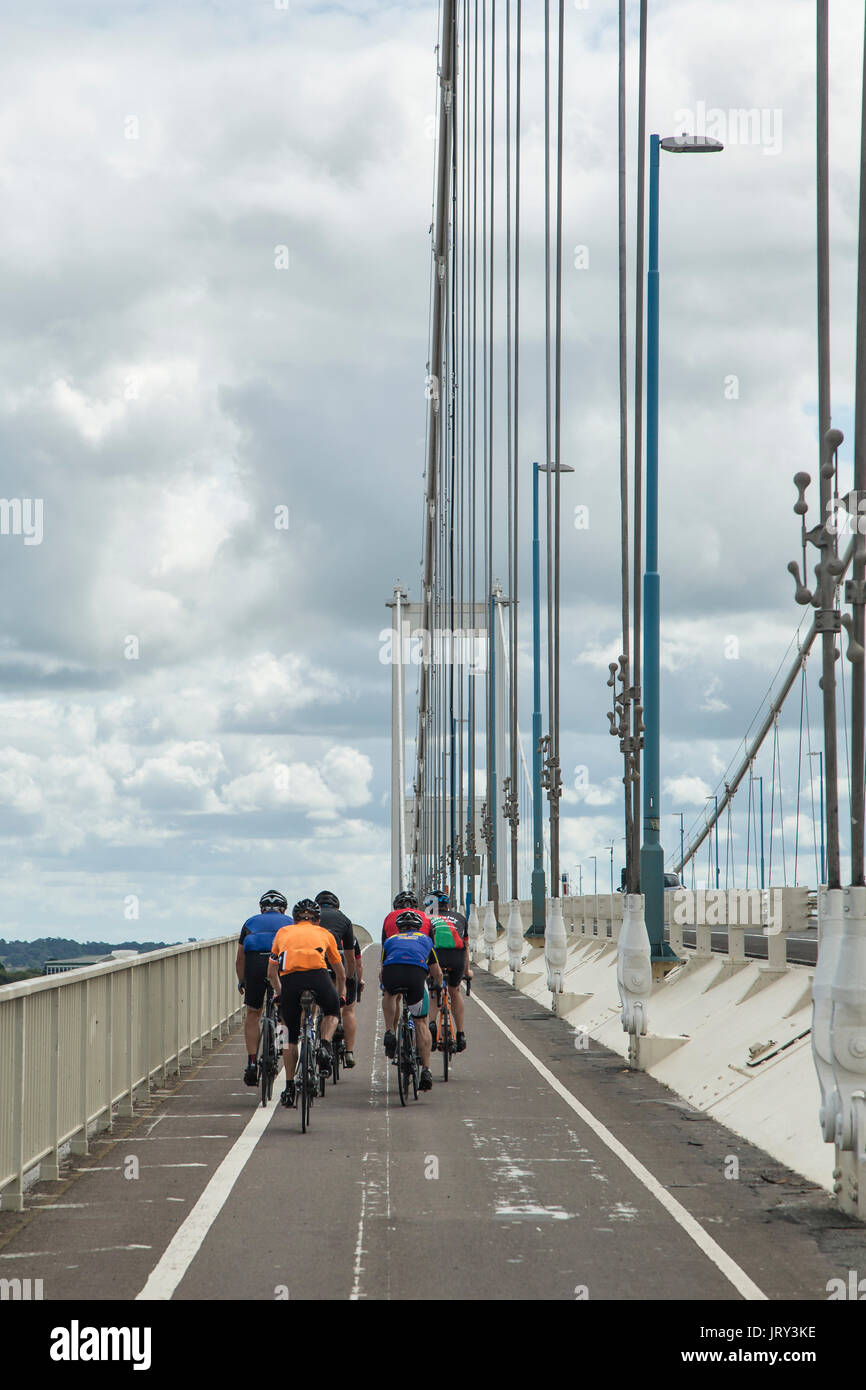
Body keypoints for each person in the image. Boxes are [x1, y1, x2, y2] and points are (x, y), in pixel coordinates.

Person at [268, 899, 346, 1108]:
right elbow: (340, 973)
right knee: (331, 1011)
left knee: (286, 1032)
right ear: (318, 920)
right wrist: (337, 998)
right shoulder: (325, 934)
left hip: (291, 980)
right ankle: (325, 1045)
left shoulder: (283, 933)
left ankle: (289, 1086)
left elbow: (271, 972)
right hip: (318, 977)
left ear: (294, 920)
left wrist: (281, 994)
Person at [380, 910, 443, 1093]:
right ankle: (425, 1070)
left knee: (389, 995)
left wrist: (386, 986)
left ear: (399, 928)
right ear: (418, 928)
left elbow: (382, 973)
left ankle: (390, 1032)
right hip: (415, 977)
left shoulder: (390, 941)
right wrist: (438, 986)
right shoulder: (425, 940)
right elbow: (437, 972)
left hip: (393, 974)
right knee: (421, 1023)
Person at [236, 890, 292, 1087]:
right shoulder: (290, 922)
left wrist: (242, 981)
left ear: (261, 909)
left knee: (253, 1012)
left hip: (255, 964)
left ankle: (252, 1063)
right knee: (284, 1012)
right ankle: (280, 1047)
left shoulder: (250, 922)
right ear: (283, 909)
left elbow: (240, 958)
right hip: (279, 964)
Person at [425, 890, 472, 1052]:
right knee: (455, 990)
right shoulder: (460, 918)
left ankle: (431, 1028)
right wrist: (468, 971)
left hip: (436, 956)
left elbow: (424, 945)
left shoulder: (427, 919)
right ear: (447, 905)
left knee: (435, 990)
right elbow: (465, 947)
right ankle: (460, 1034)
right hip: (456, 958)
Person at [315, 891, 357, 1067]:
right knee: (348, 1010)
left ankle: (300, 1040)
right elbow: (350, 956)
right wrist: (350, 978)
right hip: (336, 961)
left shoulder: (312, 917)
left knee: (312, 1003)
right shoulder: (344, 919)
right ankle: (349, 1052)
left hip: (313, 962)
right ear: (337, 906)